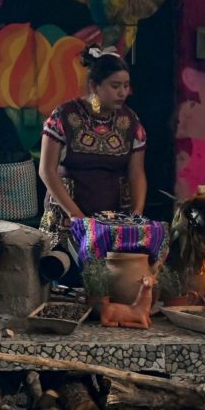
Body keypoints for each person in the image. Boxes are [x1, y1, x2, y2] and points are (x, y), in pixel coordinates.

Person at [38, 45, 147, 268]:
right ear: (94, 86)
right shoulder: (63, 116)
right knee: (66, 278)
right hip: (67, 217)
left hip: (113, 218)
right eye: (115, 86)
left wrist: (136, 214)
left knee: (112, 282)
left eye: (126, 86)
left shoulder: (131, 121)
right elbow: (46, 171)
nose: (123, 93)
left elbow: (136, 173)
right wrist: (77, 216)